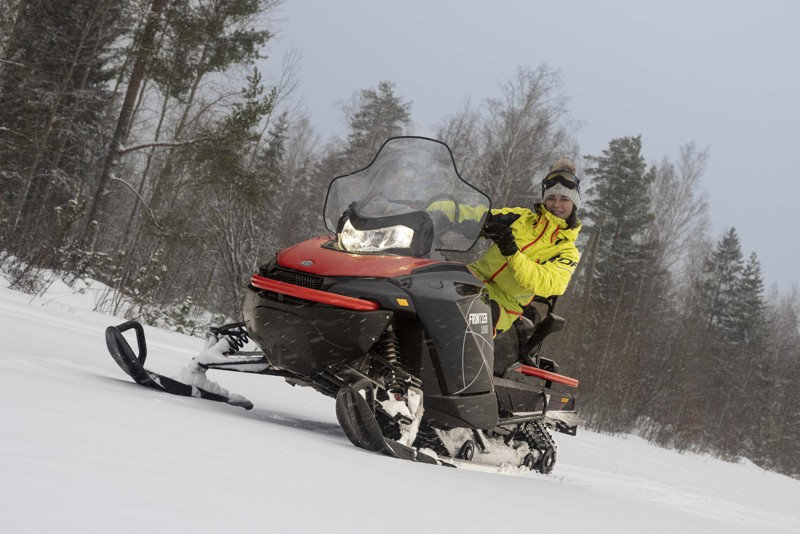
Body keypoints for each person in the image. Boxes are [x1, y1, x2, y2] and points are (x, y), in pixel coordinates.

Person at [468, 159, 582, 336]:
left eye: (564, 199)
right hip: (471, 279)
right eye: (551, 198)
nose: (556, 205)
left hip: (502, 303)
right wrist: (437, 212)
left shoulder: (567, 251)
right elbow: (478, 215)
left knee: (466, 322)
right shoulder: (521, 218)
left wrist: (512, 252)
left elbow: (547, 282)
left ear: (574, 204)